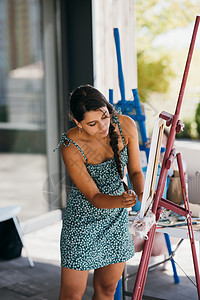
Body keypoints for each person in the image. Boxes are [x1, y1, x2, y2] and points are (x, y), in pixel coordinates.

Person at [55, 84, 144, 300]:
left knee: (107, 290)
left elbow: (134, 170)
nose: (103, 126)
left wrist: (143, 195)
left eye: (105, 116)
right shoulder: (70, 145)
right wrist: (123, 201)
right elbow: (94, 197)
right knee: (72, 295)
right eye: (92, 123)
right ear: (78, 123)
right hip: (82, 221)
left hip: (116, 218)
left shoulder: (126, 125)